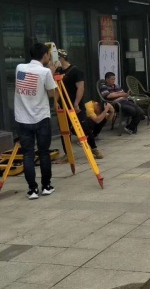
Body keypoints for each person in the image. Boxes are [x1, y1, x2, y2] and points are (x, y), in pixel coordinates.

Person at [14, 43, 57, 199]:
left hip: (22, 118)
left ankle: (32, 190)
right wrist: (51, 73)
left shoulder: (19, 68)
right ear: (45, 55)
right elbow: (53, 94)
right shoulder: (45, 72)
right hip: (41, 117)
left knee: (28, 154)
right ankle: (46, 186)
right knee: (44, 153)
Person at [54, 49, 104, 160]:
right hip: (63, 105)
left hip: (75, 105)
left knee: (83, 126)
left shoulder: (75, 71)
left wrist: (76, 103)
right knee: (64, 129)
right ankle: (68, 153)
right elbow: (57, 89)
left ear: (61, 58)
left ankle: (94, 148)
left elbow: (80, 88)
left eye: (57, 58)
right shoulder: (57, 71)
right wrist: (56, 102)